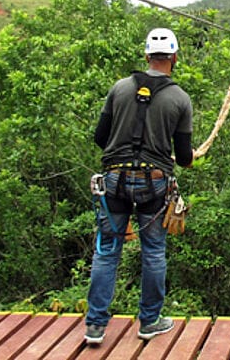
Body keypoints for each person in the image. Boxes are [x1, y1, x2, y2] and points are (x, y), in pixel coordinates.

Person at [84, 27, 194, 345]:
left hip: (115, 180)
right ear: (174, 57)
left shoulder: (119, 89)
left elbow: (100, 139)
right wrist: (183, 157)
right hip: (154, 183)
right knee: (154, 252)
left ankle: (95, 326)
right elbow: (184, 156)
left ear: (146, 56)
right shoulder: (179, 99)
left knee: (106, 252)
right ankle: (149, 322)